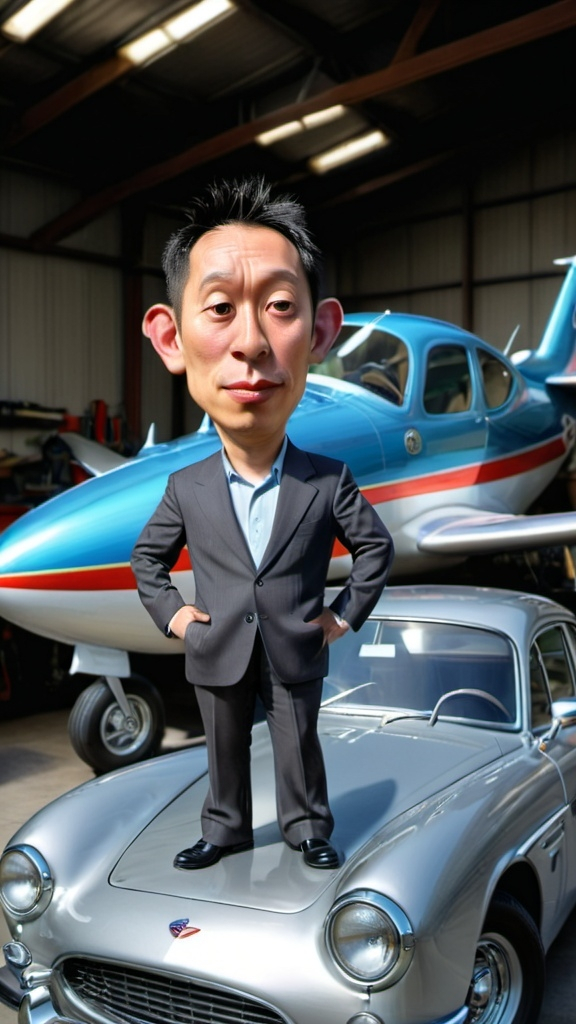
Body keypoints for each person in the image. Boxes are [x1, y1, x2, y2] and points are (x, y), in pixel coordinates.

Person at [131, 175, 394, 871]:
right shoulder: (185, 486)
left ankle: (308, 827)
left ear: (320, 331)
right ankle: (223, 830)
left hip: (296, 645)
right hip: (217, 648)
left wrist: (342, 616)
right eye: (218, 308)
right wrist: (180, 620)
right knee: (220, 748)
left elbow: (375, 547)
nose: (250, 341)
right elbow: (146, 562)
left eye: (280, 306)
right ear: (172, 336)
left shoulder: (327, 479)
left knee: (297, 741)